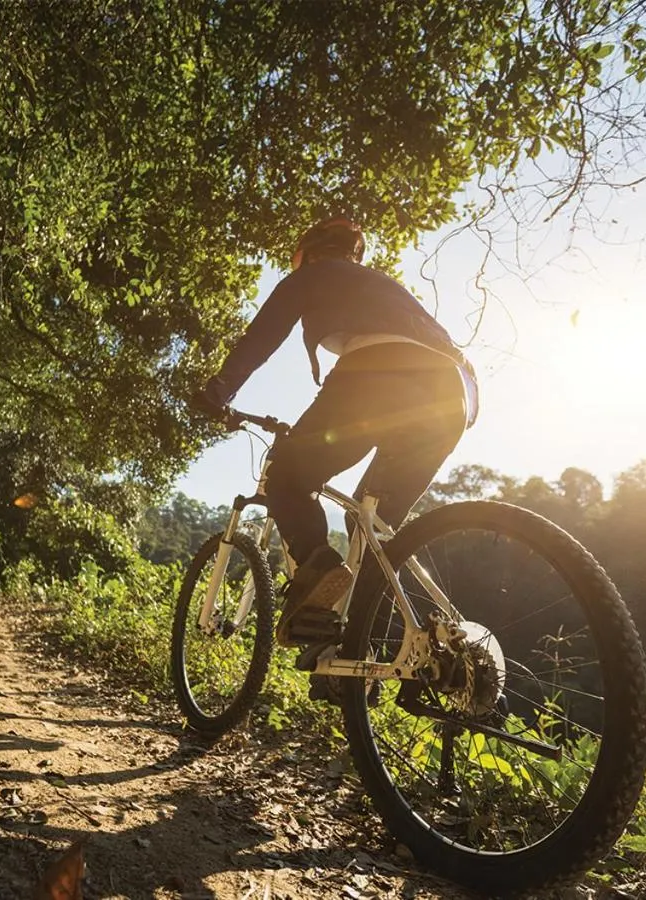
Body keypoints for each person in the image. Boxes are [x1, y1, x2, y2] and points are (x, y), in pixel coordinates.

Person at [195, 217, 478, 652]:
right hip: (452, 398)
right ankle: (359, 663)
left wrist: (218, 392)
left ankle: (318, 565)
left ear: (308, 253)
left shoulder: (317, 273)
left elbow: (262, 336)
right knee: (372, 530)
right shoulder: (389, 289)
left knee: (286, 470)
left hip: (379, 374)